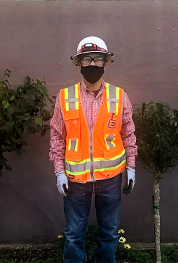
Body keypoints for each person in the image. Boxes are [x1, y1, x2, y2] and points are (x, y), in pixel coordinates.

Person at [49, 36, 138, 263]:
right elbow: (57, 137)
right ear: (78, 63)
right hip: (75, 179)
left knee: (109, 233)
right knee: (73, 234)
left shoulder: (119, 96)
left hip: (110, 177)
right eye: (87, 59)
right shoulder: (64, 97)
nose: (92, 64)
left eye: (98, 59)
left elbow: (128, 134)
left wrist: (131, 167)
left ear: (106, 63)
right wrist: (59, 172)